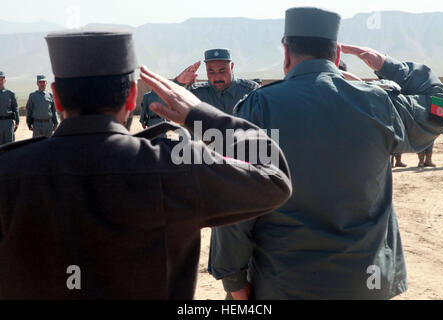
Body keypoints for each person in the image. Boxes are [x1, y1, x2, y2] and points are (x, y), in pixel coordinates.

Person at [0, 30, 292, 300]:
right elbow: (274, 178)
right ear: (131, 96)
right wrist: (200, 116)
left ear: (57, 95)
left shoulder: (9, 170)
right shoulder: (174, 167)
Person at [208, 7, 443, 300]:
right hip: (366, 284)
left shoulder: (257, 108)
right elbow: (442, 105)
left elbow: (237, 204)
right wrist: (387, 65)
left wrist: (233, 279)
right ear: (336, 56)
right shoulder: (380, 105)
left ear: (286, 53)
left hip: (284, 284)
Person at [174, 49, 260, 115]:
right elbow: (167, 109)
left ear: (232, 67)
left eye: (222, 71)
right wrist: (179, 82)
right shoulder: (196, 93)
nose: (217, 77)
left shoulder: (251, 92)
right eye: (211, 71)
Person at [0, 71, 19, 145]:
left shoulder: (10, 94)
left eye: (1, 79)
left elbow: (15, 109)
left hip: (8, 123)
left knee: (10, 146)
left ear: (4, 81)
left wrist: (17, 122)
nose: (0, 81)